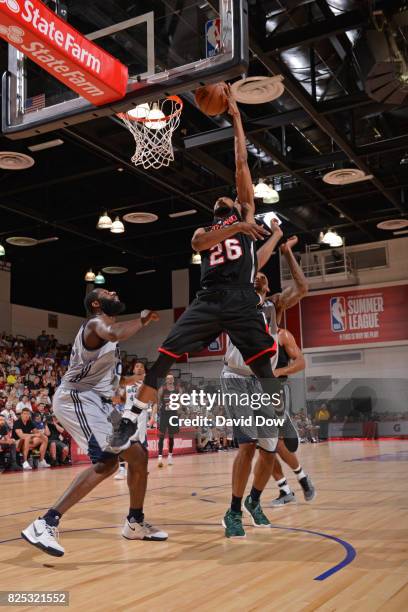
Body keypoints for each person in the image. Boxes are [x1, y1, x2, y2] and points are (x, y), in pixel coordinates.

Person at [109, 85, 283, 453]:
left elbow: (240, 163)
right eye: (218, 201)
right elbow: (198, 244)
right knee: (164, 359)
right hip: (206, 300)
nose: (222, 197)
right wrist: (236, 227)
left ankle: (277, 421)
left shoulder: (246, 210)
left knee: (264, 367)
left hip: (240, 298)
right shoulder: (209, 230)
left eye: (227, 198)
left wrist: (236, 118)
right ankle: (131, 418)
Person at [21, 288, 168, 558]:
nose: (114, 290)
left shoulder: (111, 343)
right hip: (77, 398)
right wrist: (144, 319)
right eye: (106, 291)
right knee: (108, 461)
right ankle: (45, 523)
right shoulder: (95, 324)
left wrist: (133, 382)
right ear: (98, 303)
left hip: (100, 403)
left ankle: (135, 522)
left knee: (138, 456)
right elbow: (113, 333)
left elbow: (112, 379)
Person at [221, 233, 308, 538]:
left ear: (268, 287)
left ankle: (253, 501)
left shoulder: (274, 307)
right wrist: (271, 237)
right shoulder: (236, 298)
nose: (259, 276)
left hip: (263, 382)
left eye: (263, 276)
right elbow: (250, 263)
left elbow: (302, 288)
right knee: (247, 445)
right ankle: (232, 512)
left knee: (269, 450)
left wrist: (286, 252)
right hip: (236, 378)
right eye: (255, 273)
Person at [270, 327, 315, 506]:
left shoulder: (283, 335)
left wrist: (279, 371)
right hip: (254, 395)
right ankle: (285, 490)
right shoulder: (252, 335)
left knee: (278, 444)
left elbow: (301, 362)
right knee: (265, 448)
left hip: (274, 392)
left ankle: (302, 479)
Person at [114, 361, 155, 480]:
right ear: (133, 370)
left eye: (142, 366)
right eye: (137, 366)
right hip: (127, 413)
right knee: (121, 441)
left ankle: (142, 469)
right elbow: (122, 399)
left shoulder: (148, 384)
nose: (139, 368)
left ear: (144, 370)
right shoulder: (127, 383)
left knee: (141, 444)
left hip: (141, 414)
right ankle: (122, 470)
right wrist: (112, 399)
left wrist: (152, 416)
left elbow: (154, 400)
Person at [157, 374, 181, 467]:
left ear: (173, 380)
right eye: (168, 378)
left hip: (173, 414)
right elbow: (158, 402)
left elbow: (180, 401)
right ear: (166, 380)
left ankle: (170, 456)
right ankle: (160, 456)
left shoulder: (178, 389)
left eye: (171, 378)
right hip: (164, 414)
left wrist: (176, 406)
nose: (170, 380)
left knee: (171, 436)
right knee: (161, 436)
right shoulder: (162, 389)